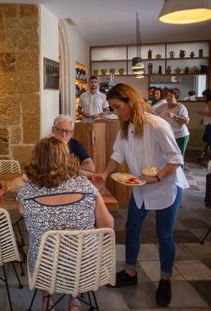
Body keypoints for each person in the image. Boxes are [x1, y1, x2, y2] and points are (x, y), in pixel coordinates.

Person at [92, 83, 189, 307]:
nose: (116, 112)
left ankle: (165, 279)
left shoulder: (157, 125)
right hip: (141, 187)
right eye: (113, 108)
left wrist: (157, 177)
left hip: (166, 186)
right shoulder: (125, 128)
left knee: (163, 234)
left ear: (130, 101)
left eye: (117, 107)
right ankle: (130, 272)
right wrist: (105, 174)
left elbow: (176, 159)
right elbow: (117, 154)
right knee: (133, 228)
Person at [18, 136, 113, 311]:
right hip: (85, 266)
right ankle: (75, 298)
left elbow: (22, 212)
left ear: (36, 161)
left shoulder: (26, 192)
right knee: (77, 252)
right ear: (66, 159)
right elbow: (108, 225)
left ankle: (47, 300)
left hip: (44, 270)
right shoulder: (85, 186)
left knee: (37, 245)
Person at [155, 89, 190, 158]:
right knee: (168, 156)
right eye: (167, 96)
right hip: (169, 135)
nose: (168, 98)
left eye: (171, 96)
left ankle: (180, 169)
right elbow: (153, 111)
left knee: (179, 156)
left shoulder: (181, 107)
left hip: (181, 135)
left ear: (176, 97)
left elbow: (186, 121)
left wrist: (174, 116)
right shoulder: (163, 106)